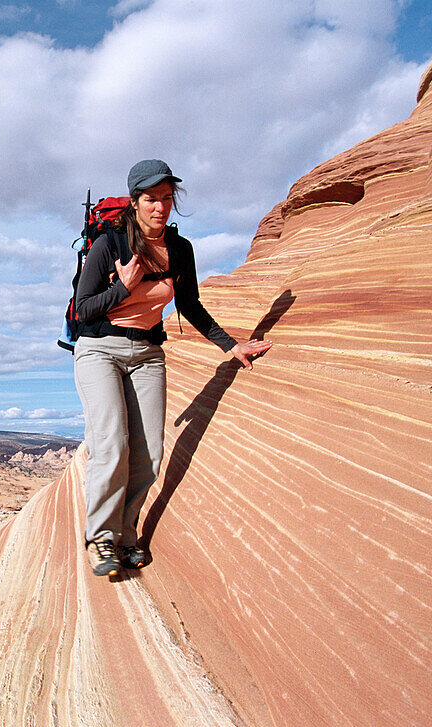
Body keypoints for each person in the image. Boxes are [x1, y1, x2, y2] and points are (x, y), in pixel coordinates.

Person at [73, 159, 272, 577]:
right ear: (135, 202)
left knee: (149, 454)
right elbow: (83, 311)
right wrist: (121, 289)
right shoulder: (110, 244)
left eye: (166, 198)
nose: (160, 207)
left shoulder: (180, 250)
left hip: (147, 354)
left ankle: (126, 536)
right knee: (111, 444)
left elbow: (190, 305)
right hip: (99, 351)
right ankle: (101, 538)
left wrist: (230, 345)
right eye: (151, 199)